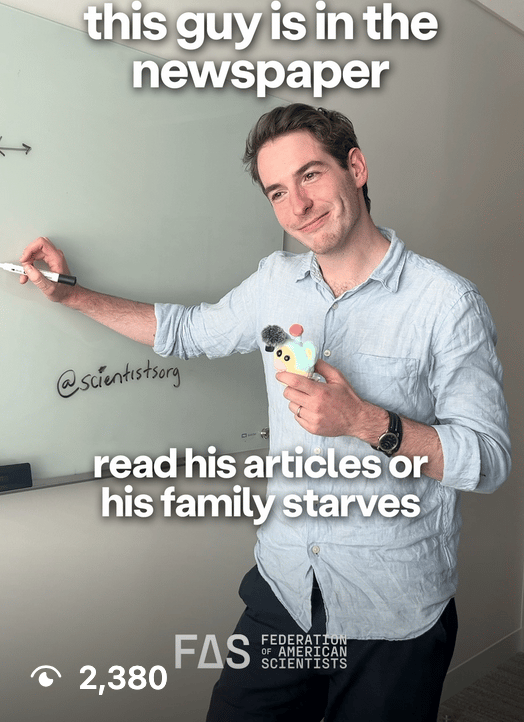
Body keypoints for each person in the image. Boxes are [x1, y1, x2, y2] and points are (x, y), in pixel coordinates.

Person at [19, 104, 510, 722]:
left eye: (311, 175)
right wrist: (71, 295)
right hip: (286, 588)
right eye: (278, 190)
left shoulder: (447, 303)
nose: (297, 206)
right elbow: (188, 331)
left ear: (355, 167)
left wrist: (365, 422)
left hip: (392, 610)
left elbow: (488, 460)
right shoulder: (274, 283)